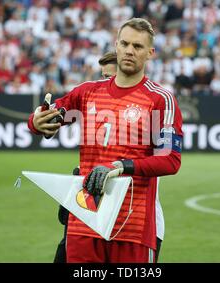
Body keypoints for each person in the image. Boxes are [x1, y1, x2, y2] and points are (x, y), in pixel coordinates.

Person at [28, 18, 182, 263]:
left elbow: (171, 161)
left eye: (138, 46)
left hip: (133, 227)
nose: (130, 50)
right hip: (85, 222)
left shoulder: (160, 100)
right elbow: (44, 118)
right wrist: (36, 122)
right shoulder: (86, 92)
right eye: (125, 43)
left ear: (150, 53)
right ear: (116, 45)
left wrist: (121, 166)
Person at [52, 51, 166, 263]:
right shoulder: (93, 98)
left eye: (110, 77)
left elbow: (167, 160)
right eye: (103, 76)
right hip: (88, 216)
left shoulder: (149, 104)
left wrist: (121, 166)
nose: (106, 82)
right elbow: (48, 115)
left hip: (135, 220)